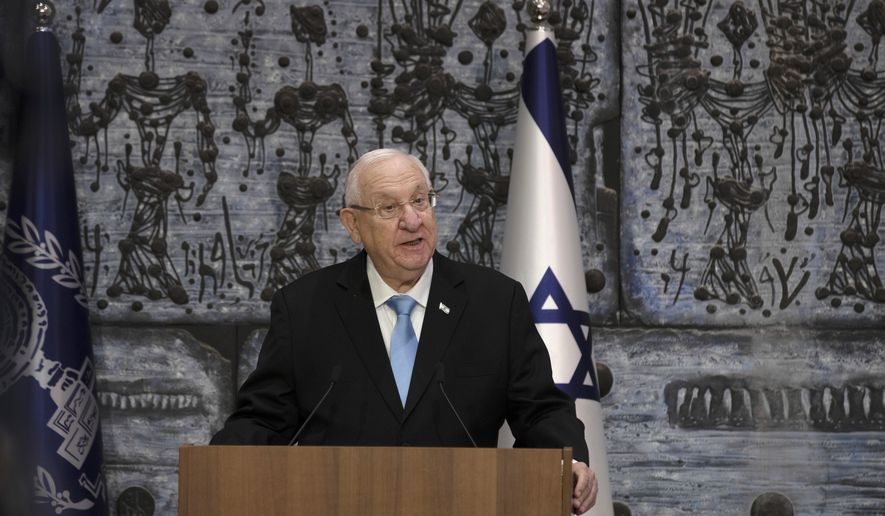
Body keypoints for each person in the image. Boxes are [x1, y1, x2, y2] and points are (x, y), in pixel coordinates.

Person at [211, 148, 598, 513]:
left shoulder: (494, 302)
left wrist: (571, 461)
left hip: (466, 505)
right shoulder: (306, 307)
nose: (412, 220)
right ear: (353, 224)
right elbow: (263, 418)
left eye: (420, 200)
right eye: (389, 207)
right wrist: (218, 469)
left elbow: (540, 410)